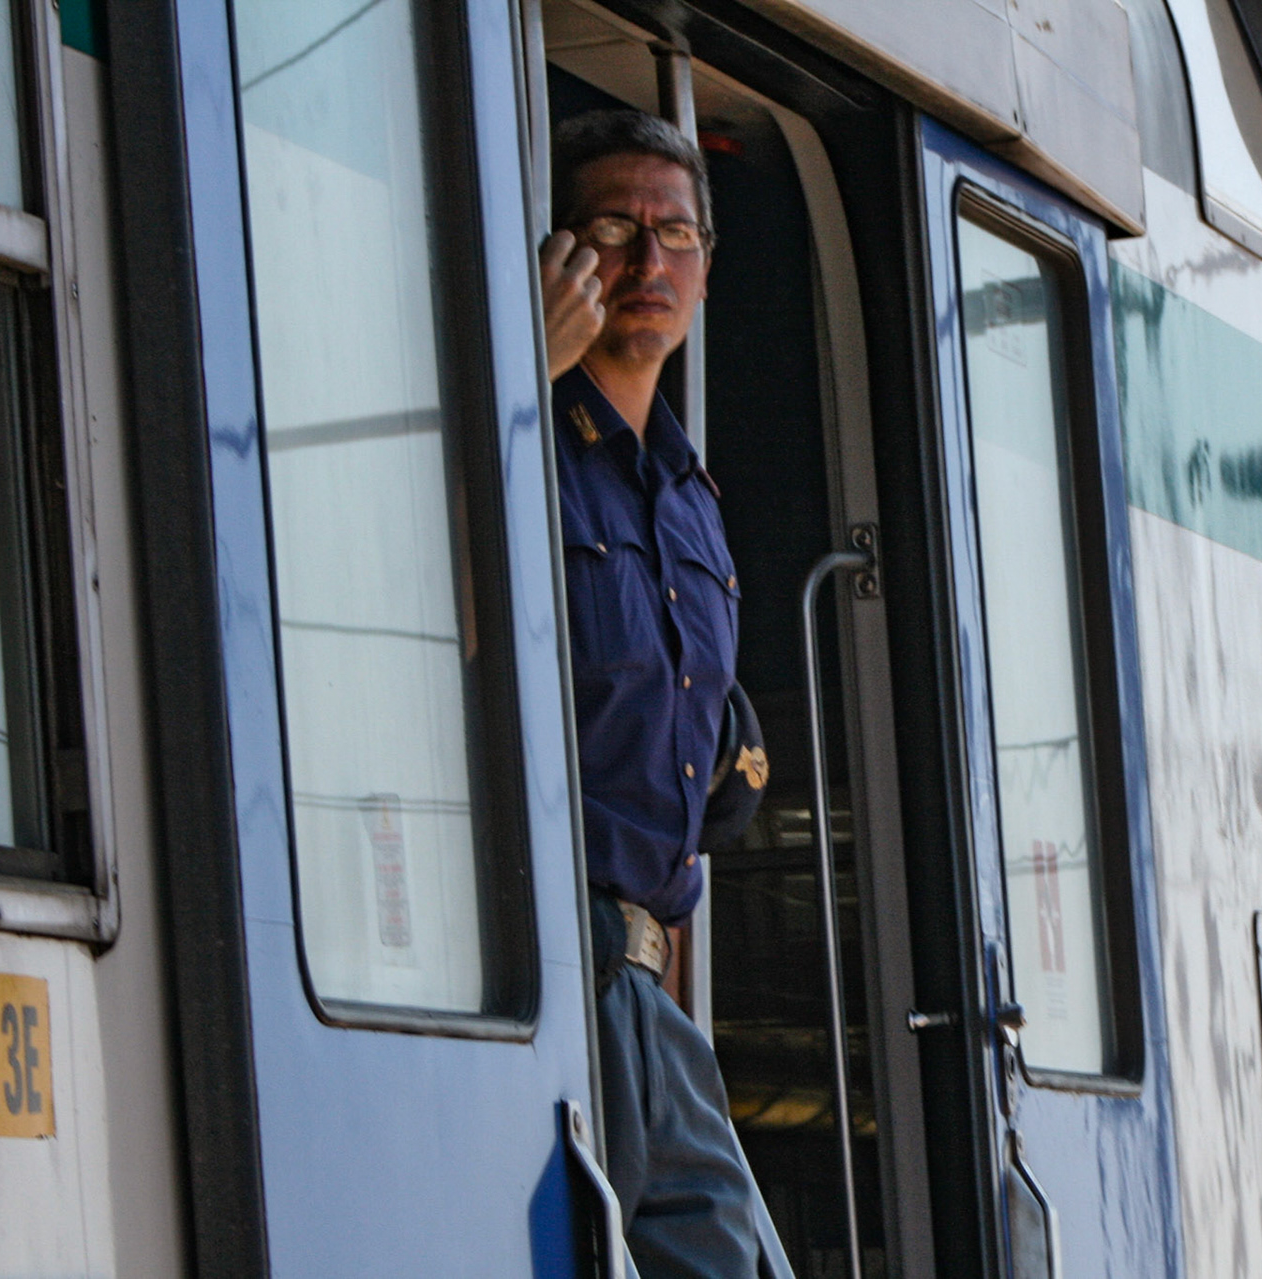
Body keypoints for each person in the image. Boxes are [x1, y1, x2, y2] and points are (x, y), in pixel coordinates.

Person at [540, 109, 792, 1279]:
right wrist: (517, 371)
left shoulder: (695, 504)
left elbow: (676, 801)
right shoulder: (518, 427)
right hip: (541, 961)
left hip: (646, 987)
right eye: (613, 227)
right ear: (558, 252)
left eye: (676, 232)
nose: (648, 263)